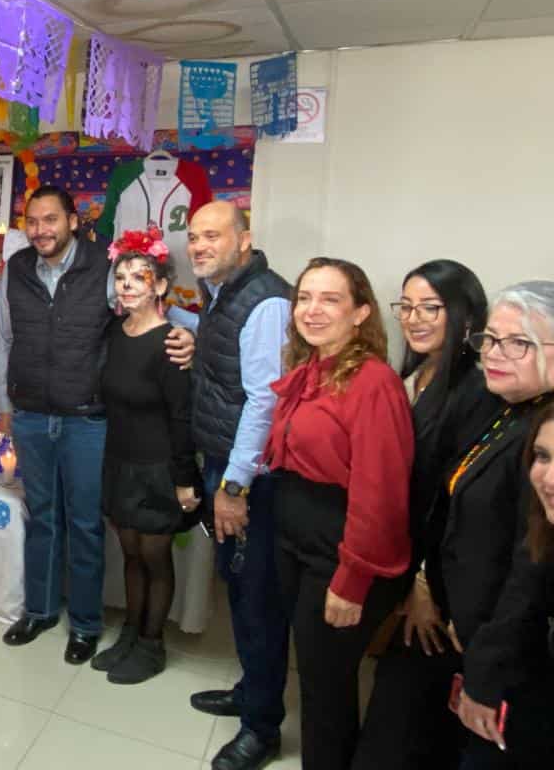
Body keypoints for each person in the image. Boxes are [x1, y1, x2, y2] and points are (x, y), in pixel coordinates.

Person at [264, 257, 415, 770]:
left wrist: (352, 580)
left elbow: (382, 493)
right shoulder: (310, 368)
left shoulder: (372, 383)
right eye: (305, 297)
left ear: (361, 313)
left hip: (338, 546)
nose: (312, 309)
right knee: (314, 673)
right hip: (295, 533)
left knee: (326, 686)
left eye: (330, 299)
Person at [355, 260, 490, 770]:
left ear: (466, 315)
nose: (414, 318)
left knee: (410, 719)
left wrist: (424, 582)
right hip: (402, 563)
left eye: (431, 307)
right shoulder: (413, 375)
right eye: (407, 306)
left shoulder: (474, 390)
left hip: (437, 582)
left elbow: (455, 501)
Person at [177, 200, 293, 770]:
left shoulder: (265, 300)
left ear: (244, 241)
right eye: (194, 237)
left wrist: (233, 485)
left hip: (251, 477)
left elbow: (264, 402)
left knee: (256, 600)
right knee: (241, 587)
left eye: (212, 236)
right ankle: (252, 692)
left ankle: (262, 727)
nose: (199, 246)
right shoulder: (221, 293)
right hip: (225, 460)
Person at [426, 282, 554, 769]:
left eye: (519, 343)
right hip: (475, 632)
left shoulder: (545, 438)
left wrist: (486, 676)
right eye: (491, 340)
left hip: (515, 662)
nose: (496, 354)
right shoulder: (507, 409)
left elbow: (531, 572)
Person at [0, 185, 114, 665]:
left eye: (50, 220)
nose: (40, 230)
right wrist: (4, 402)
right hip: (32, 415)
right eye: (33, 221)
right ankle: (39, 610)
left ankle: (84, 624)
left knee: (84, 524)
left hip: (87, 418)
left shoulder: (103, 265)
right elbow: (2, 341)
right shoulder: (16, 269)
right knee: (42, 518)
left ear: (73, 220)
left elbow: (138, 315)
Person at [91, 230, 200, 685]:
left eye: (140, 277)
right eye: (121, 277)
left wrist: (183, 480)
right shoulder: (115, 331)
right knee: (130, 555)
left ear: (160, 286)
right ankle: (131, 634)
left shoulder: (173, 341)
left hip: (158, 468)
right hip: (119, 461)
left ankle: (153, 644)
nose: (128, 285)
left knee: (155, 558)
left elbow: (181, 417)